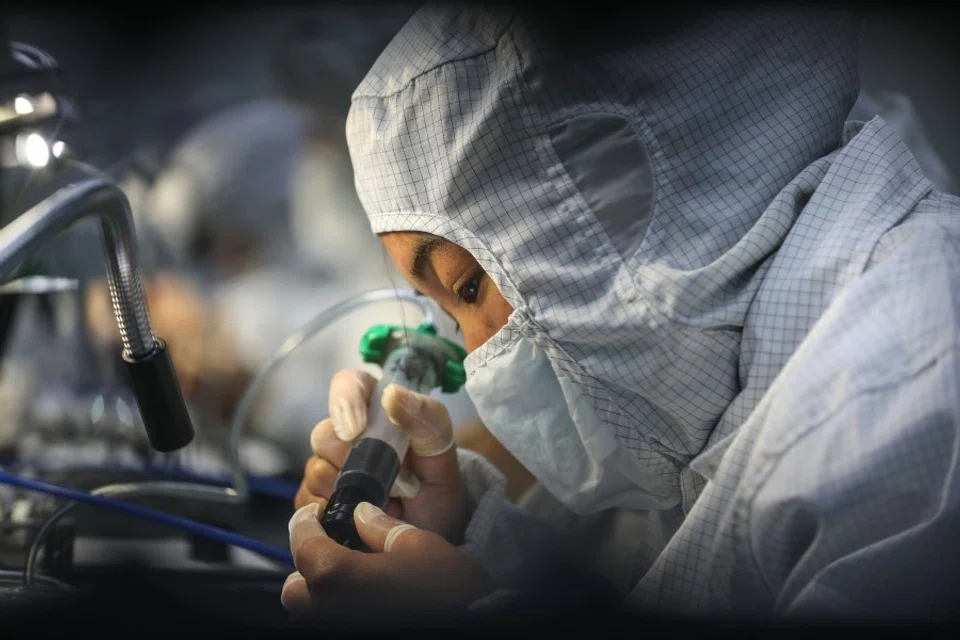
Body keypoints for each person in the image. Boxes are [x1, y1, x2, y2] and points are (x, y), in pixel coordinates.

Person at [282, 4, 960, 621]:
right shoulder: (692, 368)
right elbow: (642, 586)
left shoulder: (907, 400)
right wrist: (459, 530)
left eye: (465, 288)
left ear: (611, 207)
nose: (478, 356)